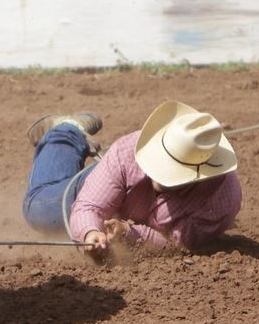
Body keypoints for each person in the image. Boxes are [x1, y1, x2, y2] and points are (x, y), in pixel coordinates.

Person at [22, 101, 242, 261]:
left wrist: (129, 233)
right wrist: (90, 232)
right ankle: (67, 130)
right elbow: (89, 206)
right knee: (37, 210)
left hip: (125, 203)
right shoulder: (128, 151)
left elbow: (178, 243)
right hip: (105, 181)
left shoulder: (221, 199)